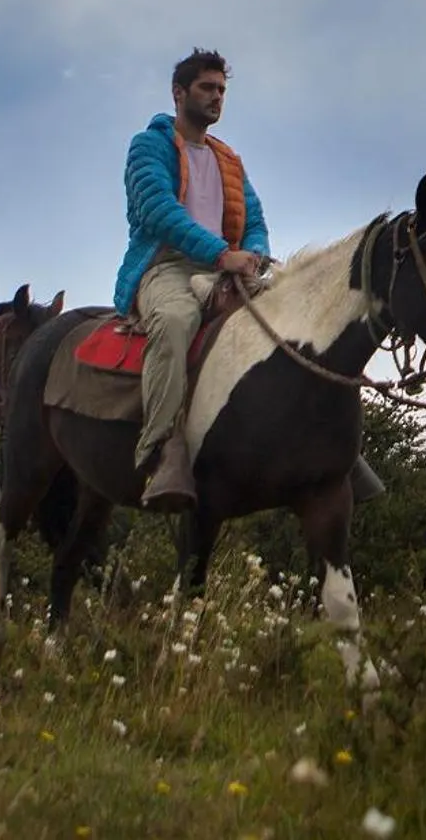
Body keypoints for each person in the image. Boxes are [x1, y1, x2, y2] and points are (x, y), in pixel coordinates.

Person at [117, 48, 269, 510]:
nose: (217, 96)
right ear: (179, 92)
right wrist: (222, 255)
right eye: (207, 87)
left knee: (291, 315)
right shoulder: (149, 145)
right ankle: (161, 448)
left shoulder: (229, 160)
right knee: (177, 321)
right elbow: (158, 211)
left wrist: (255, 256)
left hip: (226, 265)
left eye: (222, 89)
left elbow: (256, 221)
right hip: (166, 267)